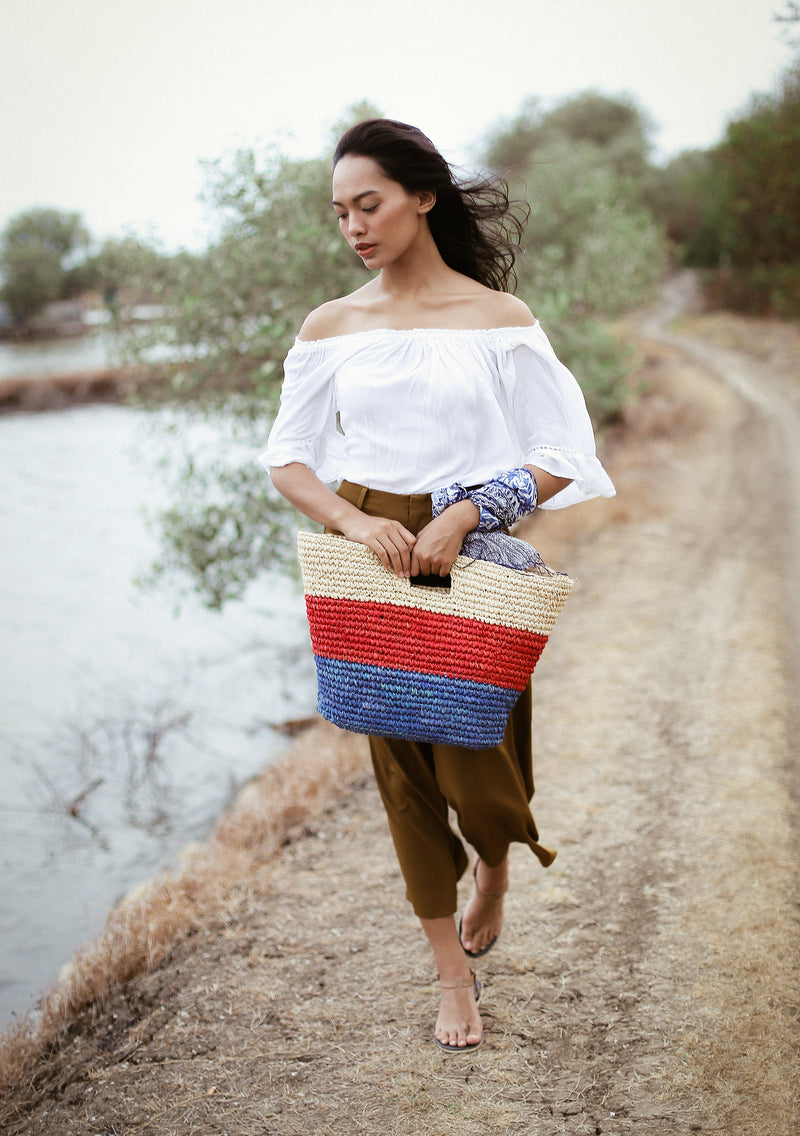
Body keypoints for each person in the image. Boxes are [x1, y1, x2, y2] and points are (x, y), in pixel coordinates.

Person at [261, 119, 615, 1053]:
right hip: (371, 537)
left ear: (423, 197)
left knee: (480, 753)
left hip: (473, 540)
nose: (353, 227)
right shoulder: (332, 326)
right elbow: (287, 460)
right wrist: (350, 519)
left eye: (367, 204)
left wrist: (467, 515)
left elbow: (562, 457)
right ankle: (452, 980)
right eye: (339, 212)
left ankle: (495, 855)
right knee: (402, 768)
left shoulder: (499, 321)